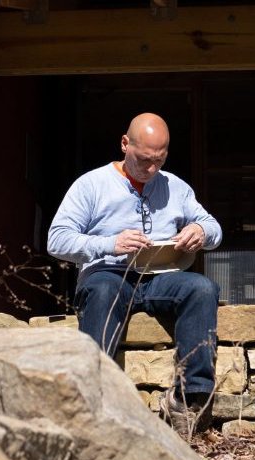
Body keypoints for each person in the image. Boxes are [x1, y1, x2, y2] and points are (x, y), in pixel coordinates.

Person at [47, 112, 223, 437]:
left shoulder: (176, 187)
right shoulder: (91, 184)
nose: (152, 169)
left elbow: (214, 228)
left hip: (161, 277)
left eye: (159, 160)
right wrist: (110, 244)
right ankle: (95, 399)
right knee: (102, 292)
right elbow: (57, 240)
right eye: (144, 160)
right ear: (125, 144)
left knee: (202, 288)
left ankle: (191, 401)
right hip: (108, 274)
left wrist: (200, 231)